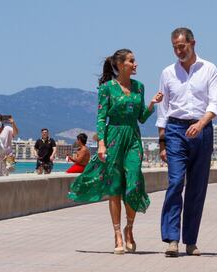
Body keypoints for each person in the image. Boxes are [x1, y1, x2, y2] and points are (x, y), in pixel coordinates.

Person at [68, 48, 163, 254]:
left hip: (133, 138)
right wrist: (101, 143)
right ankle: (118, 234)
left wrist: (151, 105)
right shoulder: (107, 89)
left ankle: (129, 228)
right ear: (121, 65)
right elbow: (101, 118)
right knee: (114, 187)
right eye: (131, 61)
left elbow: (141, 118)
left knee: (134, 181)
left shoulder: (139, 87)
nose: (135, 64)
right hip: (113, 138)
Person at [156, 27, 217, 257]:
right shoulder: (167, 73)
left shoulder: (209, 69)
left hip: (202, 130)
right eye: (174, 47)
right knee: (175, 182)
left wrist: (200, 124)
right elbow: (162, 111)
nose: (178, 51)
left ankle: (190, 241)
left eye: (181, 46)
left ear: (193, 43)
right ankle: (172, 238)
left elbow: (214, 104)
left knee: (196, 188)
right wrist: (162, 143)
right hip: (175, 129)